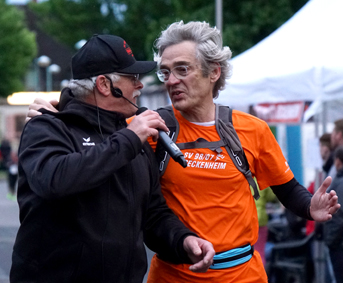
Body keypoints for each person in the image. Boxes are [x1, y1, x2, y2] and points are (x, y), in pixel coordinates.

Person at [27, 22, 340, 283]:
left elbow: (285, 187)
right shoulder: (143, 128)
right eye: (165, 72)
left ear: (213, 72)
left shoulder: (252, 129)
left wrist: (309, 207)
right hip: (171, 274)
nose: (170, 81)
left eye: (182, 69)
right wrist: (57, 110)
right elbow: (88, 130)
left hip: (242, 272)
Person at [11, 34, 215, 283]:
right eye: (133, 78)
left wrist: (183, 240)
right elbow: (55, 179)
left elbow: (153, 213)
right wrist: (129, 138)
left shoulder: (132, 139)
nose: (140, 86)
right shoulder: (48, 127)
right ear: (104, 85)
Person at [323, 145, 343, 283]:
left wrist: (331, 241)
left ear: (337, 161)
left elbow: (339, 216)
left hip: (339, 244)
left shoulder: (340, 183)